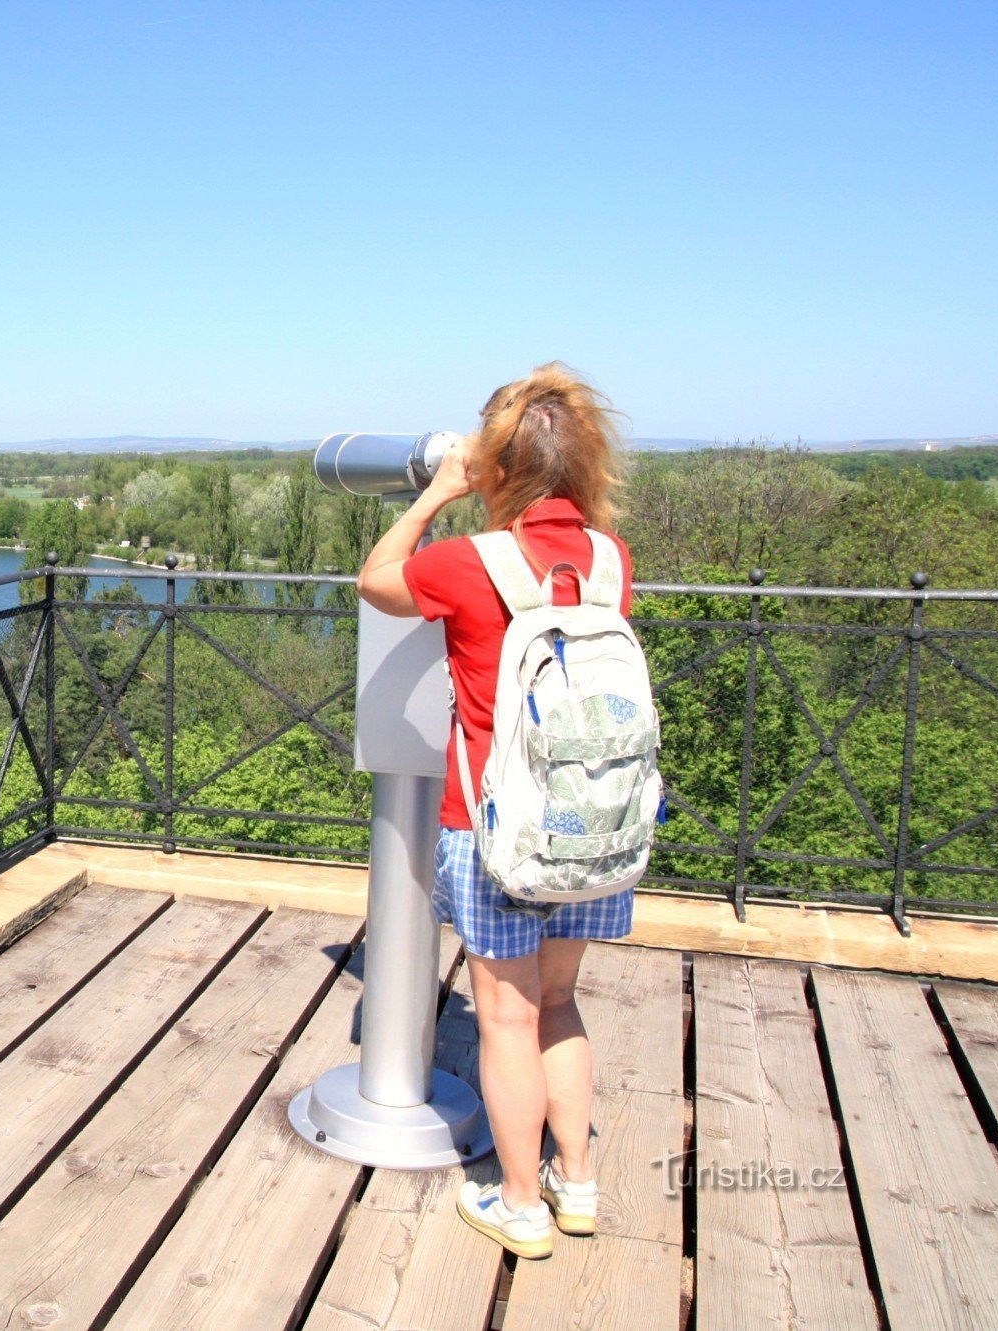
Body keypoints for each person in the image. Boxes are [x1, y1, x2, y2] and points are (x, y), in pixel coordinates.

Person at [354, 363, 633, 1260]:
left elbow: (377, 580)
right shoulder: (608, 560)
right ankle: (576, 1180)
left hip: (492, 831)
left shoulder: (470, 563)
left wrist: (437, 492)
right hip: (590, 825)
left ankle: (519, 1202)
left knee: (505, 1018)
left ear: (497, 466)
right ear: (587, 463)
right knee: (559, 1002)